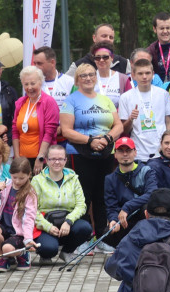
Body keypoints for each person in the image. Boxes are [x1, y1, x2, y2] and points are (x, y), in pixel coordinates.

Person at [60, 62, 124, 241]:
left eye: (91, 75)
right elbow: (66, 130)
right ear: (77, 80)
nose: (88, 78)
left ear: (96, 78)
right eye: (83, 76)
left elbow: (118, 125)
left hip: (105, 152)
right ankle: (83, 238)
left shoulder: (105, 100)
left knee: (102, 195)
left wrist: (107, 139)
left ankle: (103, 237)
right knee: (83, 195)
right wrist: (90, 141)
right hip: (80, 153)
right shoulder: (71, 100)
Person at [30, 144, 93, 262]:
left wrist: (69, 221)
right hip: (45, 224)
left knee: (85, 228)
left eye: (60, 159)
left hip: (67, 223)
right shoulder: (37, 180)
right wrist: (48, 227)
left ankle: (67, 251)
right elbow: (32, 210)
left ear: (65, 160)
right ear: (47, 161)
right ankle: (46, 254)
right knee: (49, 249)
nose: (57, 162)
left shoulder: (73, 178)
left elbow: (81, 205)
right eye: (53, 159)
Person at [105, 137, 160, 246]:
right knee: (107, 233)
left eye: (128, 150)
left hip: (143, 218)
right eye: (121, 151)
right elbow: (111, 206)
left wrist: (127, 206)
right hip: (125, 221)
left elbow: (152, 194)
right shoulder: (110, 179)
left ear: (135, 152)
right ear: (115, 154)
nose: (125, 154)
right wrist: (113, 220)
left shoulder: (147, 171)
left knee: (147, 208)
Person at [0, 157, 38, 272]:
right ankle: (4, 258)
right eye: (15, 177)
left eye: (22, 178)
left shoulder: (30, 194)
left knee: (7, 248)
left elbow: (29, 218)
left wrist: (28, 239)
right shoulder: (6, 186)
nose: (18, 181)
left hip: (18, 233)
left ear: (29, 175)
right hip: (4, 227)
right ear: (10, 174)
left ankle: (23, 254)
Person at [119, 58, 170, 159]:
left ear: (153, 74)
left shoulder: (163, 94)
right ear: (133, 75)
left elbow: (169, 122)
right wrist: (131, 119)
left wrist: (167, 145)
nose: (144, 77)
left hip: (160, 152)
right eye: (140, 74)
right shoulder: (125, 97)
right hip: (138, 153)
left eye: (147, 73)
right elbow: (125, 130)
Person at [12, 65, 61, 173]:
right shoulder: (20, 102)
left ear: (40, 82)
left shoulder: (49, 102)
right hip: (22, 160)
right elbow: (15, 131)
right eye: (26, 84)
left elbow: (49, 133)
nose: (29, 87)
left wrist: (40, 158)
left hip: (42, 159)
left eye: (33, 83)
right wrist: (17, 157)